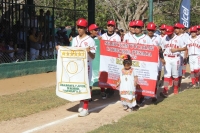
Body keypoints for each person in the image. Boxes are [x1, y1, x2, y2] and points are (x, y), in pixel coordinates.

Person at [56, 18, 96, 117]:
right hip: (76, 66)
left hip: (86, 65)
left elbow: (93, 56)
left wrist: (89, 51)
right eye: (78, 27)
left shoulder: (90, 40)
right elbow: (71, 52)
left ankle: (86, 108)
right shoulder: (75, 39)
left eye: (82, 27)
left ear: (86, 28)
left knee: (85, 85)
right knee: (78, 84)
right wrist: (60, 49)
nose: (79, 29)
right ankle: (81, 103)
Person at [160, 26, 186, 98]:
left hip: (175, 58)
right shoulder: (164, 38)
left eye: (170, 33)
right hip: (167, 57)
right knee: (166, 75)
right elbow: (162, 48)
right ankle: (165, 90)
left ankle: (175, 89)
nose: (168, 34)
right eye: (167, 33)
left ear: (173, 31)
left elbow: (185, 48)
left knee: (175, 75)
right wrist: (162, 58)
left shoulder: (178, 38)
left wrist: (177, 50)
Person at [100, 20, 121, 99]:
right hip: (104, 58)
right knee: (104, 72)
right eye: (109, 25)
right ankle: (104, 88)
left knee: (112, 73)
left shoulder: (117, 37)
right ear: (107, 26)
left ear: (114, 27)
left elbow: (119, 48)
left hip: (113, 58)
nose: (110, 27)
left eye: (112, 26)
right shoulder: (103, 36)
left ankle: (111, 89)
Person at [146, 22, 164, 102]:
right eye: (149, 30)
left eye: (152, 30)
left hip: (156, 60)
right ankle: (146, 93)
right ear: (147, 30)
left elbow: (162, 49)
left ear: (154, 30)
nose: (150, 32)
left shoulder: (158, 38)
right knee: (146, 77)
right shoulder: (144, 38)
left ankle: (154, 93)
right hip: (146, 61)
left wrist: (162, 57)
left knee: (156, 77)